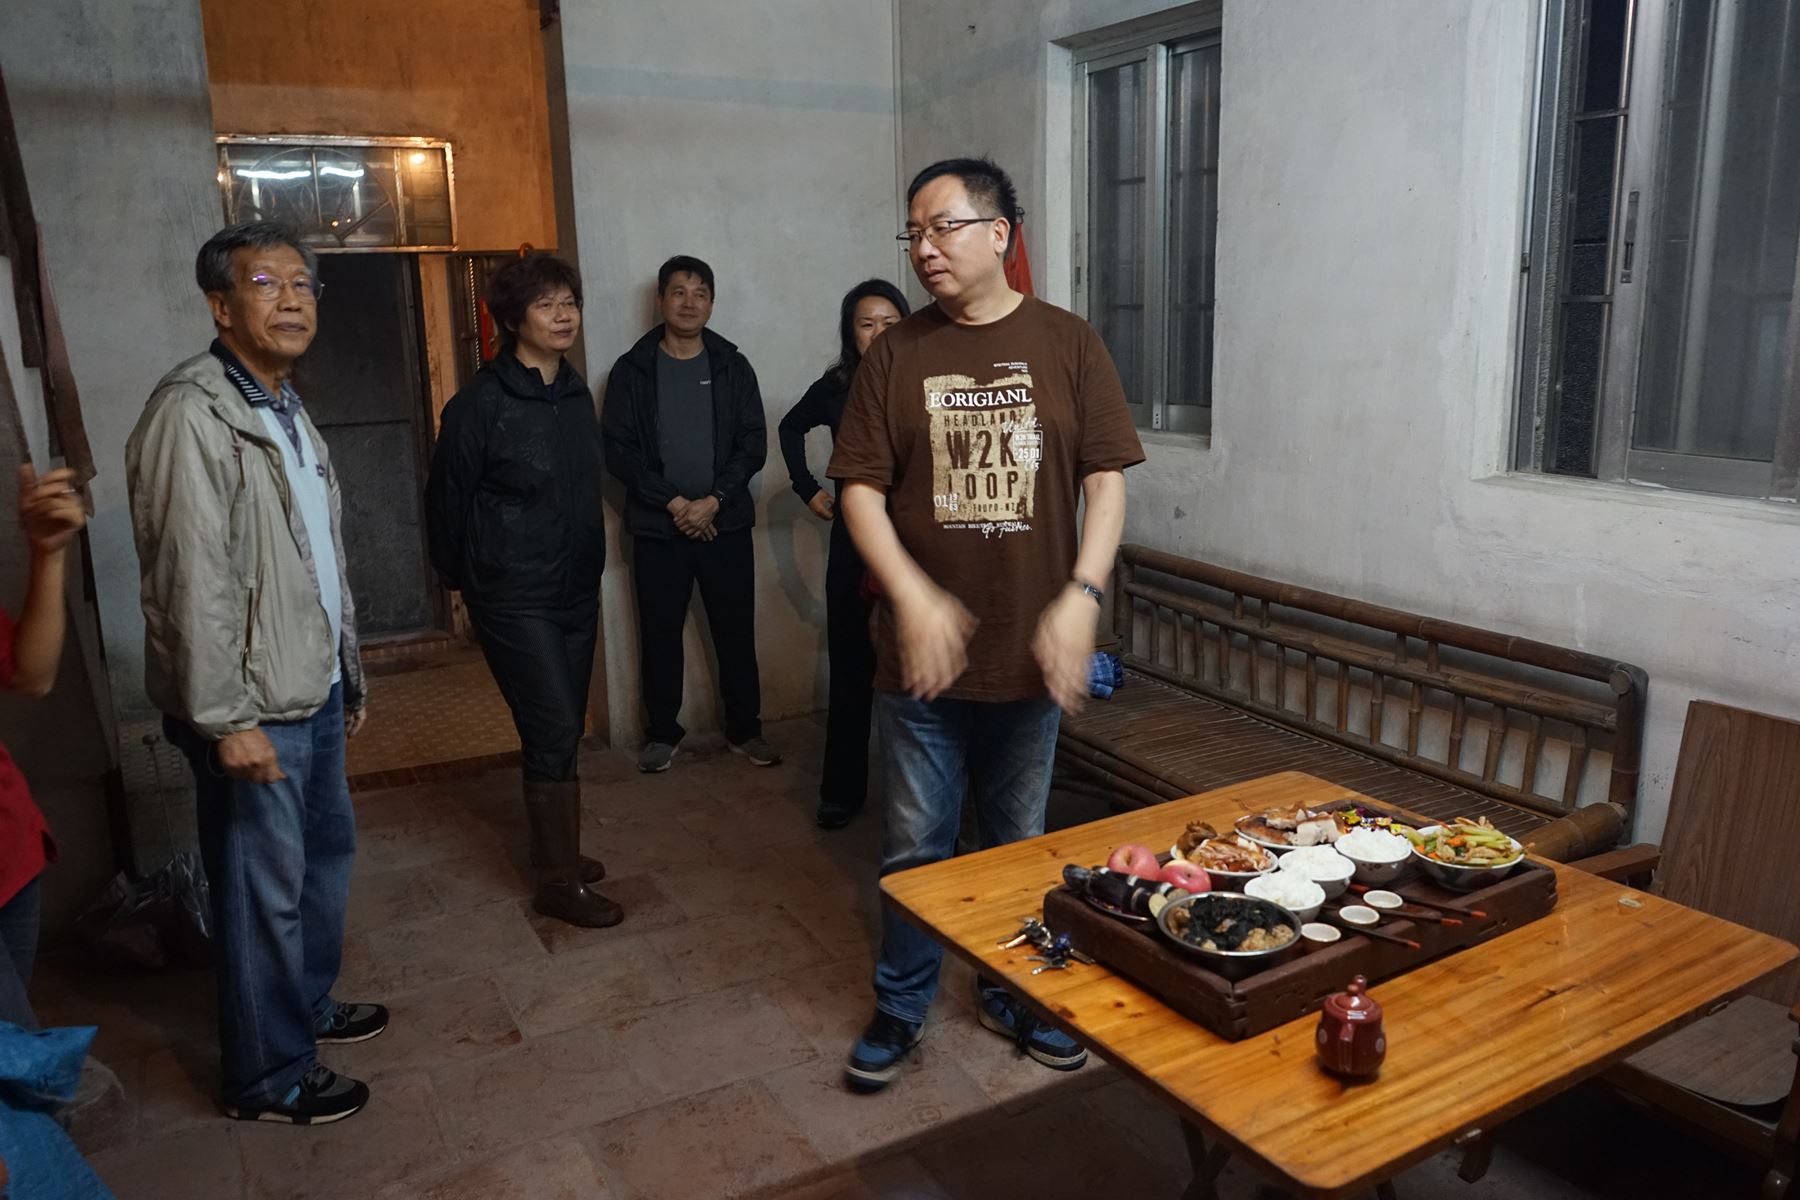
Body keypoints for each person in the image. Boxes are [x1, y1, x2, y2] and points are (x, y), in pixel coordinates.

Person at [828, 157, 1143, 1091]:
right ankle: (902, 1002)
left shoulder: (1069, 343)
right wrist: (914, 596)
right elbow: (858, 491)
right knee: (916, 847)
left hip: (1029, 656)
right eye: (913, 232)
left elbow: (1105, 483)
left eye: (943, 226)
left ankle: (1014, 991)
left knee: (1019, 843)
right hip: (921, 667)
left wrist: (1082, 596)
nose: (924, 248)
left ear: (999, 233)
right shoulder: (896, 356)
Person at [125, 221, 385, 1126]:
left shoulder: (282, 407)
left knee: (322, 866)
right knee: (259, 892)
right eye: (266, 283)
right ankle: (268, 1075)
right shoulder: (193, 412)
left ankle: (304, 1007)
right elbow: (186, 577)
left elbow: (314, 558)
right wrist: (225, 718)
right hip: (251, 704)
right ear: (220, 305)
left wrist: (346, 671)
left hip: (308, 685)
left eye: (304, 285)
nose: (292, 301)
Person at [424, 252, 620, 929]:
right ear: (512, 319)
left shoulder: (575, 394)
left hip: (575, 587)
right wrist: (464, 582)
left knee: (559, 726)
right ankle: (557, 883)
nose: (564, 315)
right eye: (546, 304)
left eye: (570, 302)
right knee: (554, 725)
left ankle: (554, 851)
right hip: (513, 593)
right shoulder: (480, 405)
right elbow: (446, 501)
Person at [602, 255, 781, 773]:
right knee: (659, 634)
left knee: (735, 632)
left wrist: (714, 500)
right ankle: (662, 733)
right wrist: (676, 503)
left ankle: (745, 729)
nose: (689, 302)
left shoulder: (731, 366)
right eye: (678, 291)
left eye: (700, 292)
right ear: (660, 300)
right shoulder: (633, 370)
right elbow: (619, 451)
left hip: (725, 523)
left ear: (711, 303)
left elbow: (752, 443)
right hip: (659, 527)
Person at [778, 280, 909, 829]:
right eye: (866, 323)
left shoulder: (929, 379)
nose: (878, 333)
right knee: (853, 668)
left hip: (917, 544)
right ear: (850, 333)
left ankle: (918, 801)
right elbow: (790, 427)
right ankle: (841, 791)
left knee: (916, 676)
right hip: (855, 543)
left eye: (890, 322)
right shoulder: (836, 386)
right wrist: (808, 490)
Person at [0, 463, 88, 1031]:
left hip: (10, 850)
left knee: (17, 1046)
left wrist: (48, 554)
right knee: (19, 1064)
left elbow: (31, 674)